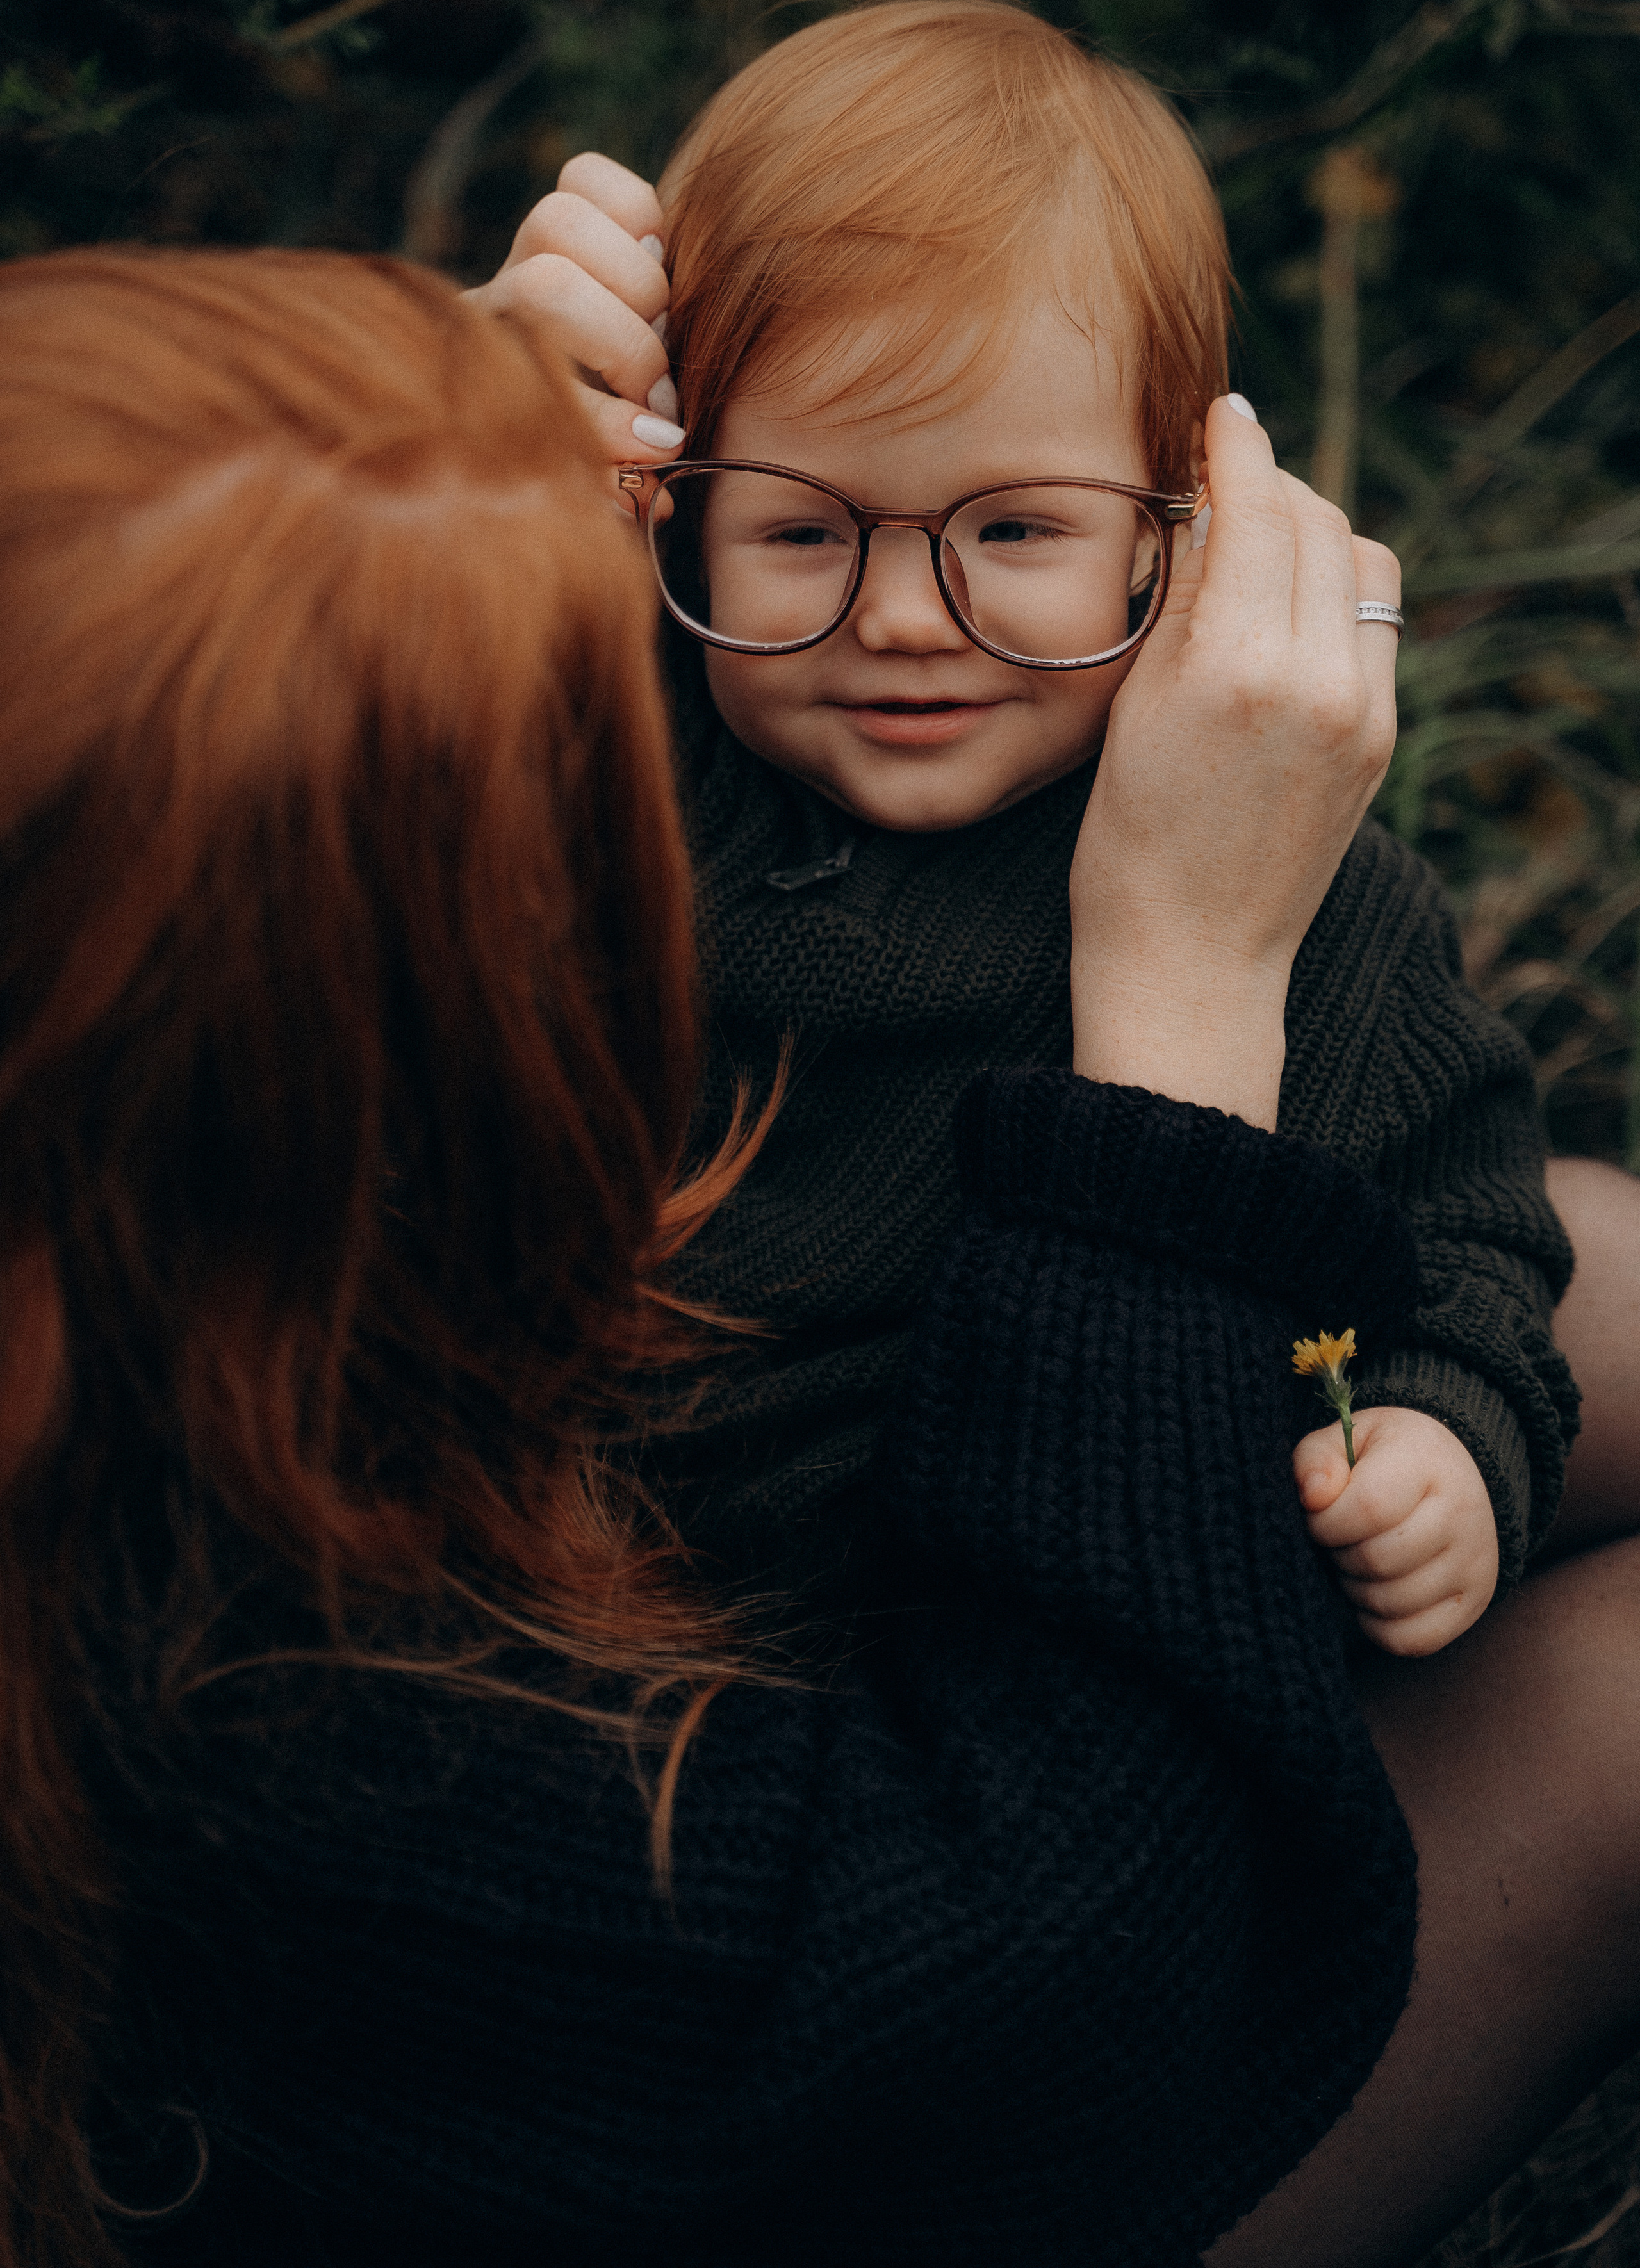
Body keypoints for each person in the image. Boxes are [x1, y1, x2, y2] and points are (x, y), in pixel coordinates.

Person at [0, 241, 1447, 2268]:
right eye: (576, 783)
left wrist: (371, 495)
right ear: (276, 1081)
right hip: (961, 2106)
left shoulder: (113, 1241)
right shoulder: (246, 1709)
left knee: (1574, 1278)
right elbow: (1058, 2012)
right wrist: (1187, 998)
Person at [473, 0, 1592, 1658]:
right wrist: (472, 471)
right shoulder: (608, 754)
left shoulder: (1282, 869)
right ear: (669, 498)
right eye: (798, 532)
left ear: (1172, 526)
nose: (909, 618)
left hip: (1074, 1557)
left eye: (1010, 526)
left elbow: (1467, 1226)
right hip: (704, 1662)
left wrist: (1452, 1438)